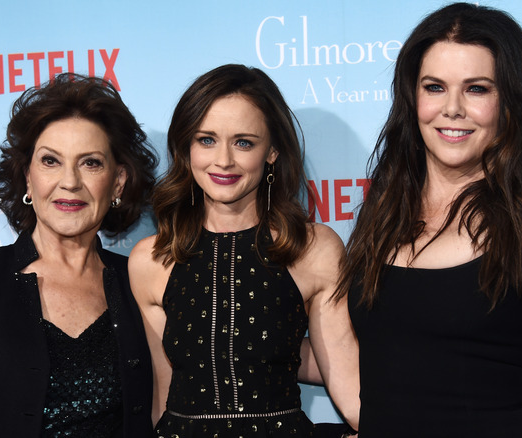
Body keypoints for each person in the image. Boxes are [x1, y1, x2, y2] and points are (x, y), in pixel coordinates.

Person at [336, 3, 522, 438]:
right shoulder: (381, 218)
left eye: (477, 89)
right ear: (412, 98)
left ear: (511, 103)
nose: (453, 108)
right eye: (434, 87)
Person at [0, 73, 157, 437]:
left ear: (118, 181)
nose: (70, 181)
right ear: (28, 177)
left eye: (90, 162)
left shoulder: (140, 284)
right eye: (51, 161)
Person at [129, 64, 360, 437]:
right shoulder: (152, 259)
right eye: (206, 140)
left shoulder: (312, 248)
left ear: (272, 152)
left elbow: (347, 383)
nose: (223, 160)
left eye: (243, 142)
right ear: (186, 149)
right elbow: (162, 389)